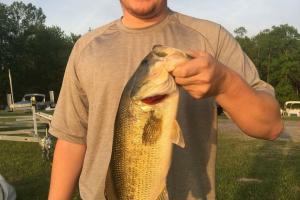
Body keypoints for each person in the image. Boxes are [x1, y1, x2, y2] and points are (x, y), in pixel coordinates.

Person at [48, 0, 283, 199]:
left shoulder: (211, 38)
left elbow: (270, 126)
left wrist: (225, 82)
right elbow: (71, 140)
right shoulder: (85, 48)